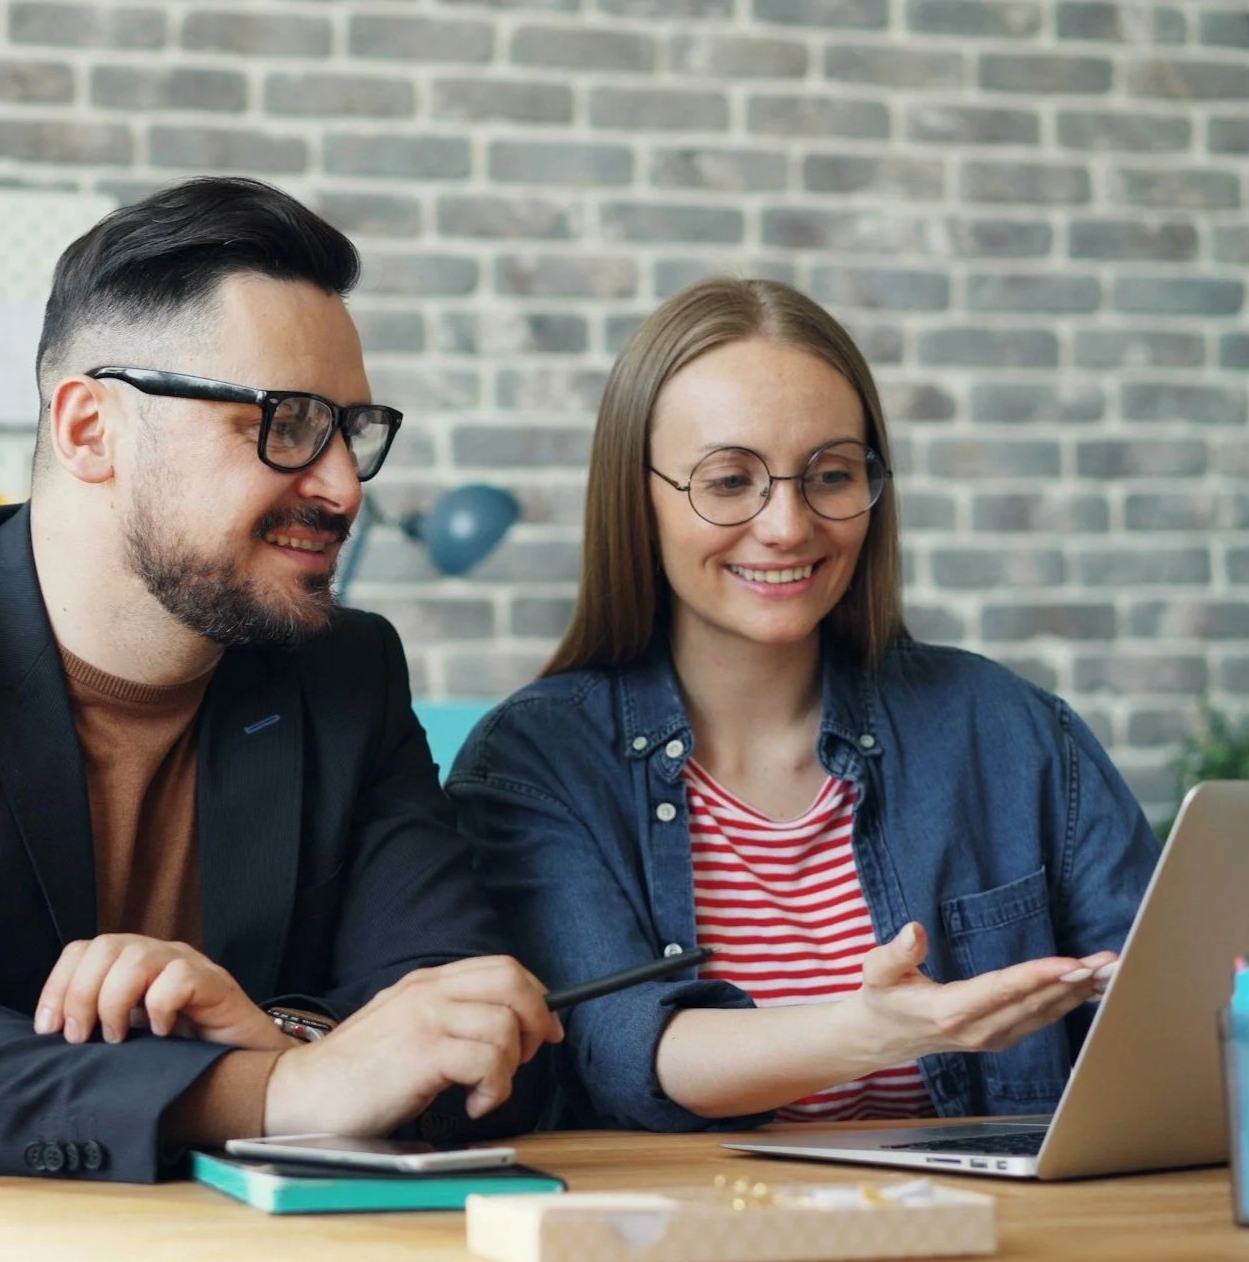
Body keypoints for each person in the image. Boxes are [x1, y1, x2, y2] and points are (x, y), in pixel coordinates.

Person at [0, 177, 559, 1179]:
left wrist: (279, 1032)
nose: (341, 483)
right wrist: (274, 1089)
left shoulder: (342, 674)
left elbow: (481, 1037)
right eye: (283, 421)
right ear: (89, 428)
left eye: (349, 429)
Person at [447, 278, 1158, 1132]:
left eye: (829, 475)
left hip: (994, 1245)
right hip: (688, 1248)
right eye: (728, 481)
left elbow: (1171, 1014)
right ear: (637, 499)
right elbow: (624, 1050)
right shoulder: (536, 762)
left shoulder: (1009, 730)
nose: (787, 525)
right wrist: (870, 1033)